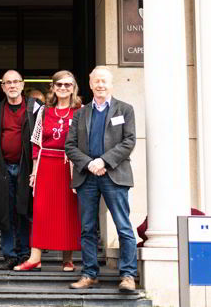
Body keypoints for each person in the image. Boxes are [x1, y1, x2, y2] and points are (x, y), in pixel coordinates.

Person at [65, 66, 138, 291]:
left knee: (123, 226)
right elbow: (70, 145)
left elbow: (129, 141)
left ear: (111, 83)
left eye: (104, 81)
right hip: (87, 177)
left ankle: (127, 275)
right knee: (87, 228)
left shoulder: (125, 110)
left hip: (114, 175)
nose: (100, 85)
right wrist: (89, 163)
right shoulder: (80, 113)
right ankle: (89, 274)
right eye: (96, 81)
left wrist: (103, 161)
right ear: (90, 84)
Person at [14, 70, 82, 272]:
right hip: (46, 164)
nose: (63, 88)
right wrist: (34, 171)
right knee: (41, 210)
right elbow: (36, 143)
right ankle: (35, 257)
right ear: (53, 87)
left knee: (67, 211)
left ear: (73, 88)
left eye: (67, 85)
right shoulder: (44, 111)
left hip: (68, 166)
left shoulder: (80, 111)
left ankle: (67, 258)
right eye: (59, 84)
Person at [0, 70, 41, 270]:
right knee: (5, 212)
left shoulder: (35, 109)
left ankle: (25, 253)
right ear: (3, 87)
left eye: (16, 82)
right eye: (8, 83)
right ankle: (9, 255)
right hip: (3, 169)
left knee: (24, 211)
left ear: (23, 85)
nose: (12, 86)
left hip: (27, 170)